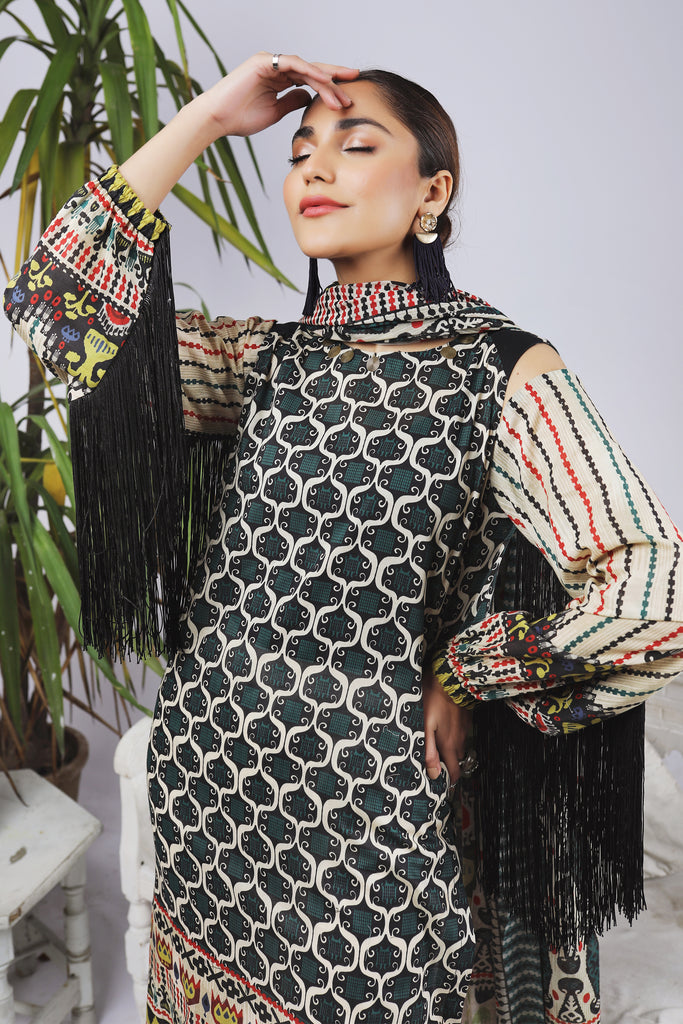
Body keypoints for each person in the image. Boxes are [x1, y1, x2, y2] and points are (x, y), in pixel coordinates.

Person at [4, 50, 682, 1024]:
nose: (315, 168)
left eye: (355, 145)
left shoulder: (499, 372)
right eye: (299, 151)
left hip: (376, 849)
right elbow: (52, 317)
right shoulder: (257, 361)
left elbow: (655, 592)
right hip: (211, 805)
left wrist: (469, 671)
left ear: (431, 192)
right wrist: (205, 119)